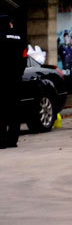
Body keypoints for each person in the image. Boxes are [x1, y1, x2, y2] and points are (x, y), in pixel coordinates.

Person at [0, 15, 26, 149]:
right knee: (15, 111)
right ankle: (13, 140)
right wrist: (19, 74)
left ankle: (2, 141)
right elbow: (24, 58)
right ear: (9, 23)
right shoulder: (19, 37)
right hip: (16, 80)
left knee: (2, 111)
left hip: (2, 81)